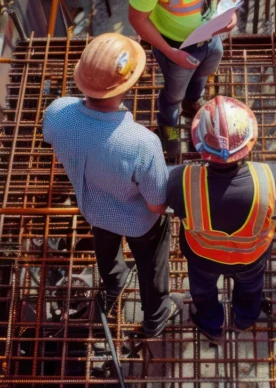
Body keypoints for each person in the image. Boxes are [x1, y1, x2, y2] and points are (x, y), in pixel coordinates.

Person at [42, 33, 178, 337]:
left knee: (106, 244)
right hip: (141, 223)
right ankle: (156, 315)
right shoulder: (142, 143)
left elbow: (53, 139)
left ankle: (114, 281)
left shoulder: (57, 113)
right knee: (152, 264)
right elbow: (157, 205)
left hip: (93, 208)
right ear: (127, 85)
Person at [165, 96, 276, 344]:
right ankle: (244, 320)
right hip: (250, 257)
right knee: (250, 289)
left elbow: (163, 199)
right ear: (250, 141)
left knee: (203, 291)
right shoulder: (274, 180)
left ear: (198, 145)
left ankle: (212, 324)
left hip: (202, 257)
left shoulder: (180, 181)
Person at [128, 0, 239, 159]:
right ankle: (169, 125)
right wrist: (170, 52)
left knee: (203, 73)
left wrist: (226, 8)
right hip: (176, 45)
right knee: (173, 92)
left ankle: (193, 103)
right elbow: (137, 19)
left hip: (211, 35)